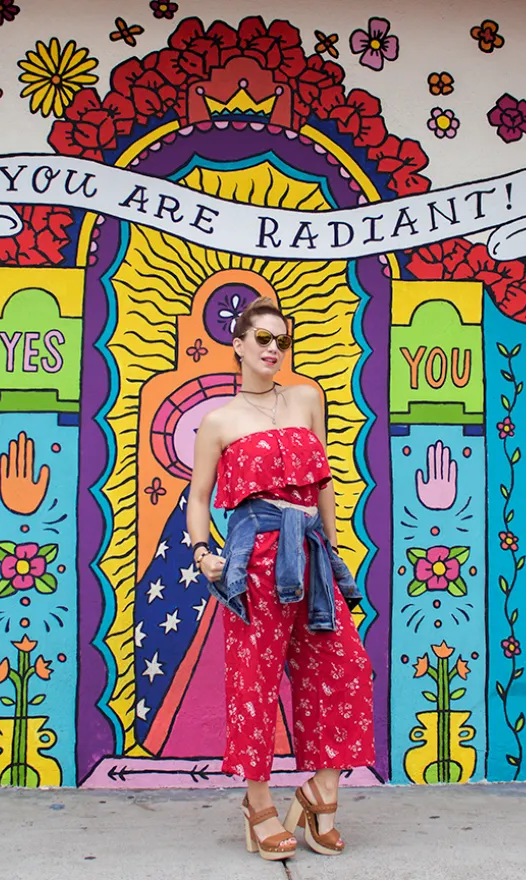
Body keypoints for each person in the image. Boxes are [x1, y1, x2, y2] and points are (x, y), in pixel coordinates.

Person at [187, 296, 375, 860]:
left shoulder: (307, 397)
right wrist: (203, 552)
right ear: (239, 344)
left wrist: (333, 552)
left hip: (311, 552)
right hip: (256, 557)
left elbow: (324, 484)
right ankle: (258, 803)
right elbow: (199, 498)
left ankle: (320, 793)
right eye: (263, 339)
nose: (274, 349)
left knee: (345, 668)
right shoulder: (219, 421)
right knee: (255, 680)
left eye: (282, 341)